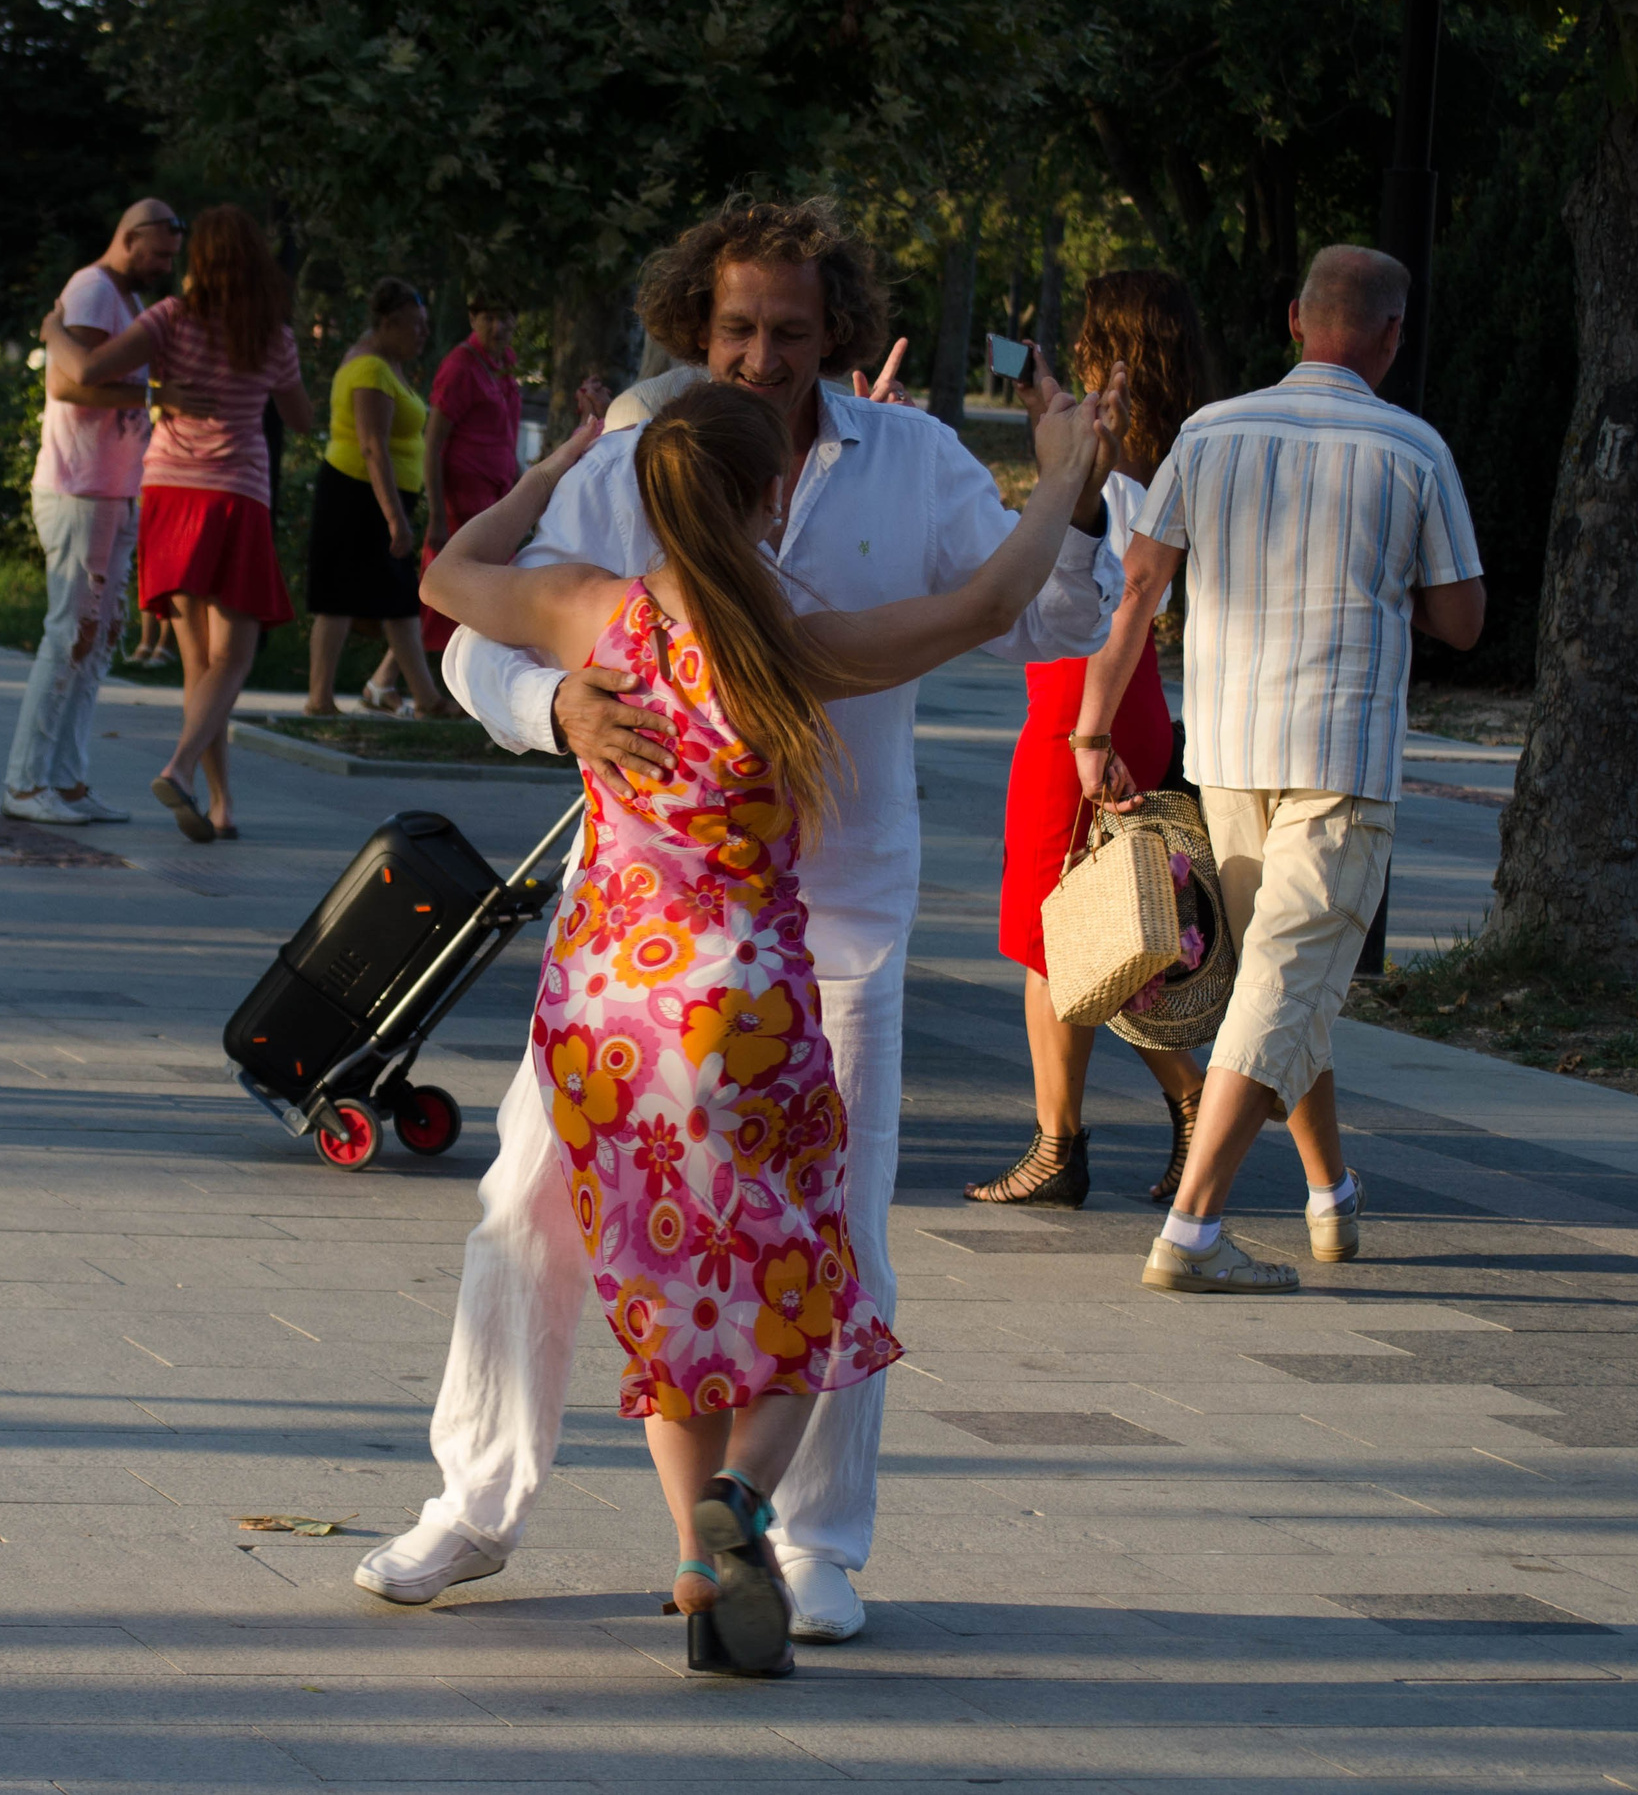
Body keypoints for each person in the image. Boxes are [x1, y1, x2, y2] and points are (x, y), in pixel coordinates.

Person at [354, 197, 1125, 1644]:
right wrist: (555, 705)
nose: (762, 352)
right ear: (693, 329)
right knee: (535, 1203)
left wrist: (1070, 504)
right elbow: (475, 648)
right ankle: (483, 1501)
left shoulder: (908, 456)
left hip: (815, 918)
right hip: (677, 928)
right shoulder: (659, 448)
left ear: (837, 327)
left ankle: (814, 1546)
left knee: (836, 1220)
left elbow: (1047, 617)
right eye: (735, 329)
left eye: (787, 327)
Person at [1070, 244, 1485, 1296]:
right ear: (1392, 335)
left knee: (1281, 977)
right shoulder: (1414, 447)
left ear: (1296, 318)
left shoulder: (1209, 433)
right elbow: (1463, 619)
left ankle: (1328, 1192)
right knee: (1285, 981)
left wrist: (1092, 729)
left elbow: (1138, 590)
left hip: (1229, 749)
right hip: (1342, 756)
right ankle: (1193, 1227)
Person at [967, 272, 1213, 1209]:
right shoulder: (1172, 451)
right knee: (1098, 925)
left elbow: (1121, 601)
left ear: (1106, 342)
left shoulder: (1116, 466)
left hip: (1083, 702)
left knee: (1054, 934)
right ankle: (1128, 1122)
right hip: (1118, 699)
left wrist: (1087, 730)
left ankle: (1077, 1140)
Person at [43, 203, 317, 843]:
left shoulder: (169, 318)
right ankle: (181, 764)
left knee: (201, 663)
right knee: (235, 656)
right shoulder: (273, 336)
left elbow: (84, 369)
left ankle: (219, 804)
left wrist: (53, 328)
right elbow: (300, 418)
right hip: (235, 497)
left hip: (169, 489)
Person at [1, 199, 184, 825]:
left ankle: (68, 781)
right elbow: (66, 382)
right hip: (77, 487)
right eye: (158, 254)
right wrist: (158, 394)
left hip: (115, 488)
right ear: (128, 239)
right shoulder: (90, 288)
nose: (165, 267)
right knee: (70, 632)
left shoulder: (127, 299)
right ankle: (26, 783)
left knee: (100, 638)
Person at [303, 278, 455, 719]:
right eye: (415, 326)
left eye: (426, 325)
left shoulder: (386, 364)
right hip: (356, 496)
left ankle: (427, 699)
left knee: (399, 599)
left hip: (379, 498)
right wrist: (395, 520)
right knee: (338, 599)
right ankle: (319, 699)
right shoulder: (369, 369)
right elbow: (373, 446)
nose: (422, 334)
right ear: (388, 324)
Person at [412, 293, 524, 663]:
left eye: (505, 317)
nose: (498, 326)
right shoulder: (461, 365)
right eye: (488, 317)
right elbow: (432, 443)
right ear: (473, 319)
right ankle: (414, 679)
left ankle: (391, 681)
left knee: (488, 594)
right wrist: (436, 515)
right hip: (460, 502)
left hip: (496, 498)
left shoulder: (504, 362)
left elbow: (506, 434)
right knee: (449, 592)